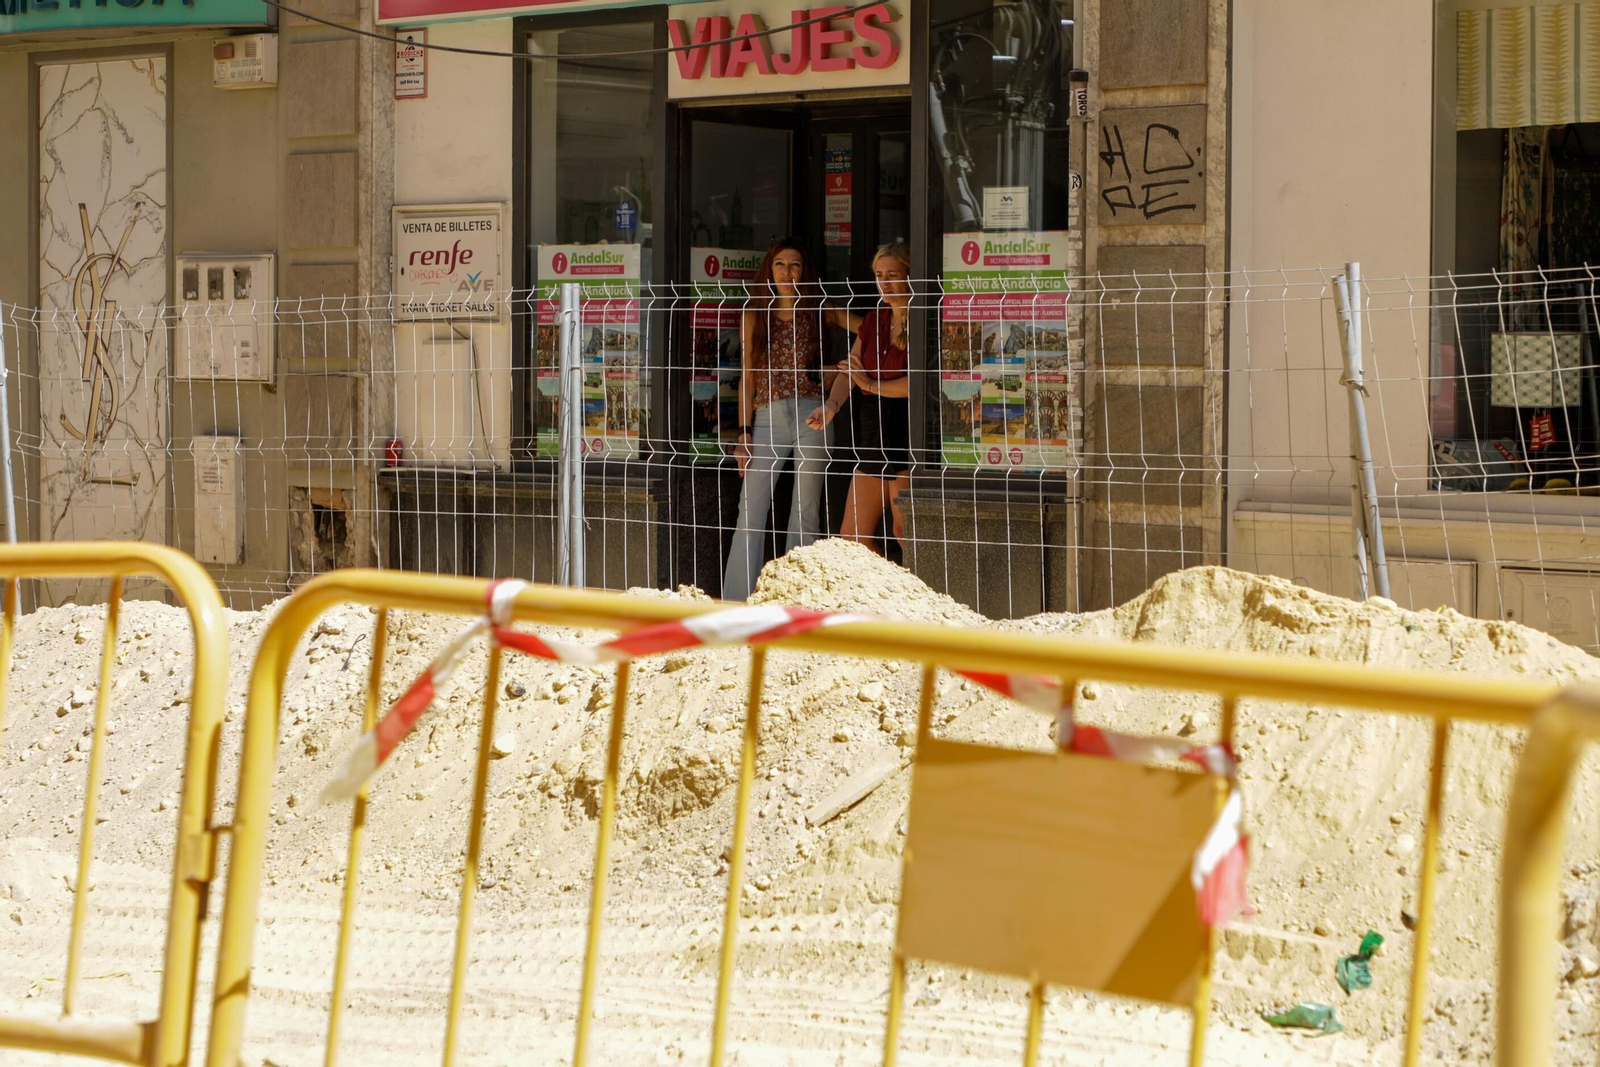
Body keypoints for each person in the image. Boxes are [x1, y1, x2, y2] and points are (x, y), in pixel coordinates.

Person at [723, 238, 857, 600]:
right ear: (769, 269)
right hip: (766, 417)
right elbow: (747, 377)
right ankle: (736, 600)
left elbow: (869, 330)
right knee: (749, 511)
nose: (786, 272)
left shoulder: (820, 309)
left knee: (806, 511)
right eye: (780, 264)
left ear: (805, 271)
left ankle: (797, 600)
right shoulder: (755, 313)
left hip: (812, 412)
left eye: (794, 264)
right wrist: (743, 433)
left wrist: (838, 371)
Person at [809, 242, 913, 554]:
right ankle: (877, 597)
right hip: (872, 430)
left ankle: (916, 600)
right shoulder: (873, 319)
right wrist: (831, 405)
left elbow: (917, 385)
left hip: (906, 431)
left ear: (910, 275)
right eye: (879, 275)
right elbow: (848, 373)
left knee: (904, 532)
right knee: (852, 537)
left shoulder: (923, 316)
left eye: (892, 274)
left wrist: (868, 382)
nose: (885, 282)